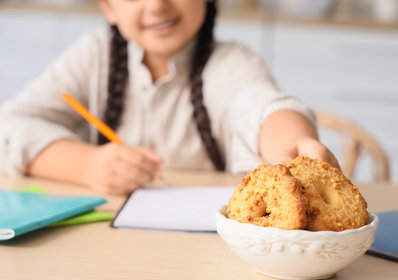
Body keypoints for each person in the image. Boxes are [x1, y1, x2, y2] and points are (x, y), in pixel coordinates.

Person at [0, 0, 339, 195]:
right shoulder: (93, 56)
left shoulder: (232, 62)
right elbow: (10, 126)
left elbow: (263, 106)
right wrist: (87, 165)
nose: (158, 5)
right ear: (108, 7)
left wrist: (293, 143)